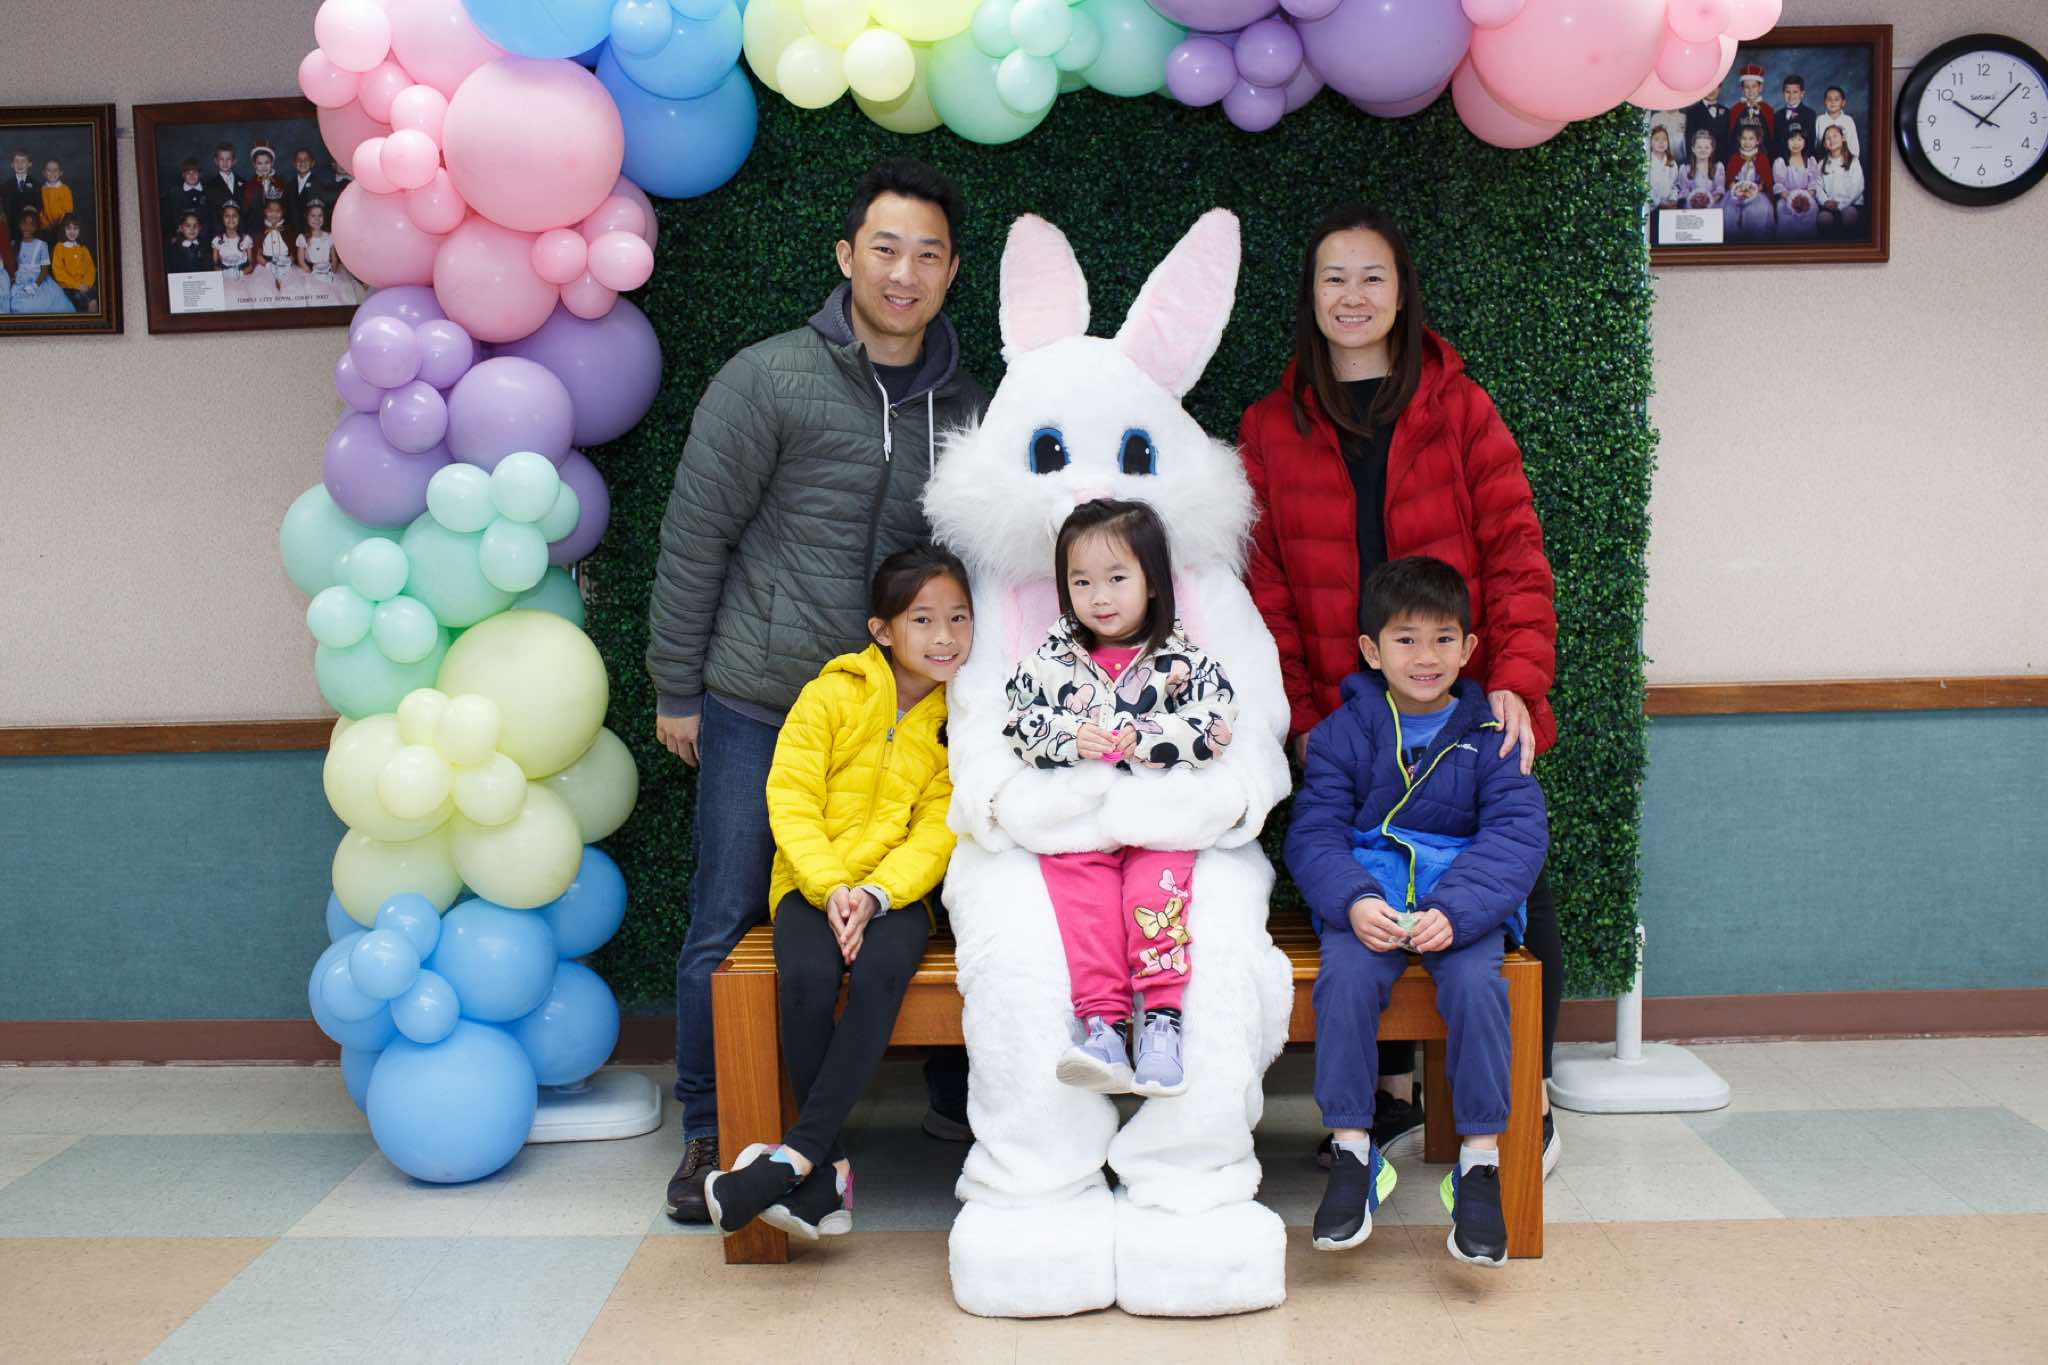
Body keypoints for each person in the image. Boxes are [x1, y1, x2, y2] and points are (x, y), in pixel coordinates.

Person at [648, 158, 989, 1224]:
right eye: (885, 248)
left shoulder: (970, 406)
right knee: (728, 913)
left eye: (927, 254)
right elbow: (695, 536)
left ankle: (955, 1098)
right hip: (761, 699)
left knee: (939, 899)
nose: (904, 272)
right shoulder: (765, 379)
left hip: (902, 714)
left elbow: (985, 560)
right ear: (846, 256)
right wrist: (676, 685)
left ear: (951, 273)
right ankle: (711, 1123)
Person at [1239, 200, 1562, 1177]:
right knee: (1363, 874)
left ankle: (1531, 1094)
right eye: (1333, 277)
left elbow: (1514, 550)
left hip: (1459, 692)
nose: (1352, 295)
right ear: (1309, 295)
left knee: (1507, 871)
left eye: (1371, 276)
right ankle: (1386, 1098)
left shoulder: (1458, 408)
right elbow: (1264, 593)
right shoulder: (1270, 427)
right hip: (1349, 711)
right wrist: (1302, 717)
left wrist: (1515, 679)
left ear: (1401, 292)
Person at [704, 546, 973, 1241]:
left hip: (897, 896)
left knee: (882, 971)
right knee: (806, 974)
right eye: (922, 619)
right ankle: (825, 1166)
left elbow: (938, 831)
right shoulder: (831, 694)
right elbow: (790, 796)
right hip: (808, 884)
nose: (944, 636)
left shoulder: (962, 721)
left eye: (958, 618)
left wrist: (877, 894)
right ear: (882, 629)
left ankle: (799, 1159)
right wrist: (829, 887)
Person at [1287, 556, 1548, 1266]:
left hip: (1460, 905)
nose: (1425, 656)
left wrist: (1458, 911)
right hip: (1369, 903)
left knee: (1476, 987)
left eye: (1443, 639)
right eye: (1405, 639)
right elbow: (1313, 834)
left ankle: (1480, 1162)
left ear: (1468, 649)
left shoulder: (1492, 733)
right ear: (1372, 651)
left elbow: (1516, 836)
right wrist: (1354, 900)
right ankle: (1353, 1150)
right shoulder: (1343, 733)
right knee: (1345, 979)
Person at [1001, 499, 1239, 1099]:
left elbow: (1216, 725)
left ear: (1152, 582)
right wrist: (1068, 737)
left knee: (1155, 901)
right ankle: (1103, 1028)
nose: (1099, 597)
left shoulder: (1182, 660)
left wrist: (1148, 737)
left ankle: (1161, 1022)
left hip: (1158, 819)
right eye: (1081, 582)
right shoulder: (1050, 660)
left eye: (1116, 579)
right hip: (1080, 823)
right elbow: (1019, 724)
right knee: (1086, 911)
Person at [9, 208, 73, 314]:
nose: (27, 227)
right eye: (24, 223)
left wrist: (35, 286)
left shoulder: (42, 245)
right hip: (21, 282)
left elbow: (44, 270)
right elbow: (11, 266)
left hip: (39, 281)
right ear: (19, 224)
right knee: (21, 307)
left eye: (31, 225)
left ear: (36, 227)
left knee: (46, 303)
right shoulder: (15, 244)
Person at [1724, 125, 1776, 240]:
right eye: (1744, 138)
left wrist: (1755, 190)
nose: (1747, 142)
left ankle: (1754, 240)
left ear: (1758, 141)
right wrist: (1736, 189)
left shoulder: (1762, 158)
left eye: (1751, 139)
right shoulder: (1735, 158)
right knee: (1729, 211)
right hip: (1735, 192)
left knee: (1758, 211)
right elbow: (1729, 179)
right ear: (1739, 139)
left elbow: (1764, 181)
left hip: (1757, 194)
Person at [1773, 127, 1821, 241]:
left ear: (1805, 142)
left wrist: (1807, 195)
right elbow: (1779, 184)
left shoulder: (1810, 161)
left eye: (1800, 139)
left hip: (1806, 196)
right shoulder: (1781, 161)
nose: (1796, 143)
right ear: (1786, 141)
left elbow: (1813, 182)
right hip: (1787, 197)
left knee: (1812, 208)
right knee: (1781, 208)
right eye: (1792, 139)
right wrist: (1789, 197)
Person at [1817, 126, 1865, 237]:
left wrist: (1841, 205)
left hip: (1851, 204)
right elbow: (1818, 187)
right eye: (1828, 138)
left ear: (1843, 138)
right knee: (1823, 219)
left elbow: (1857, 188)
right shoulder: (1821, 164)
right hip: (1830, 205)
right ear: (1824, 144)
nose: (1831, 140)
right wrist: (1825, 201)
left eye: (1835, 136)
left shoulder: (1853, 161)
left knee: (1849, 216)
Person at [213, 201, 255, 305]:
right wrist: (225, 274)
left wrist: (241, 274)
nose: (231, 219)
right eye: (227, 216)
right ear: (222, 219)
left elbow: (251, 265)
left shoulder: (246, 239)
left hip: (243, 276)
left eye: (234, 216)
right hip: (225, 277)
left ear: (239, 218)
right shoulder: (217, 240)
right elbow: (215, 265)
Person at [1676, 127, 1726, 214]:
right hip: (1692, 206)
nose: (1703, 150)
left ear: (1712, 149)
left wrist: (1708, 203)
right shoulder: (1685, 169)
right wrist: (1696, 202)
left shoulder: (1718, 167)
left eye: (1706, 147)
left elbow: (1719, 189)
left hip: (1713, 206)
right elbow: (1684, 191)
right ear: (1693, 149)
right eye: (1699, 147)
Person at [1646, 125, 1683, 245]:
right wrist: (1659, 203)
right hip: (1651, 209)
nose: (1661, 143)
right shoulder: (1646, 162)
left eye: (1664, 139)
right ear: (1650, 142)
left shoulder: (1671, 163)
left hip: (1667, 209)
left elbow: (1674, 185)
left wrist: (1672, 199)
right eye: (1657, 139)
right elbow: (1646, 189)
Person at [50, 214, 95, 311]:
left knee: (95, 295)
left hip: (84, 285)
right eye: (68, 228)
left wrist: (86, 284)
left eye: (75, 228)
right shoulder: (59, 247)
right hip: (67, 286)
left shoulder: (82, 248)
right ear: (63, 229)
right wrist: (77, 285)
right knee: (77, 298)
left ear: (79, 230)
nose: (72, 232)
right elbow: (58, 272)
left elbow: (90, 268)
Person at [240, 145, 288, 234]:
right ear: (254, 164)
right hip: (255, 230)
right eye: (259, 163)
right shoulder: (249, 186)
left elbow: (286, 209)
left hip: (278, 229)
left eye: (267, 162)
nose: (264, 166)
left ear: (272, 163)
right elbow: (245, 212)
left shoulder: (281, 183)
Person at [1727, 65, 1775, 153]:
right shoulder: (1735, 110)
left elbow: (1771, 139)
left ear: (1760, 88)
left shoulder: (1768, 110)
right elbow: (1731, 139)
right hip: (1739, 155)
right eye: (1747, 87)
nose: (1750, 90)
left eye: (1754, 86)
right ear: (1742, 89)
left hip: (1763, 156)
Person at [1681, 85, 1730, 165]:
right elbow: (1689, 141)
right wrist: (1693, 165)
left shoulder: (1726, 112)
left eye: (1715, 86)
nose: (1712, 91)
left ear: (1720, 89)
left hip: (1722, 163)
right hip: (1700, 163)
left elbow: (1727, 141)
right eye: (1709, 87)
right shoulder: (1692, 112)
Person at [163, 158, 210, 239]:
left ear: (200, 174)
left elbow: (212, 218)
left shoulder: (209, 192)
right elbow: (168, 218)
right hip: (180, 238)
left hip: (205, 238)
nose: (192, 176)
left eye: (195, 172)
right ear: (183, 175)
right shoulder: (174, 193)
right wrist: (173, 235)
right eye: (188, 173)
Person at [1774, 75, 1818, 161]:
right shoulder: (1777, 115)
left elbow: (1811, 143)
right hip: (1781, 162)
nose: (1791, 96)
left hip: (1803, 162)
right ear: (1783, 93)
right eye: (1787, 92)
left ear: (1802, 94)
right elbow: (1775, 143)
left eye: (1795, 92)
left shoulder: (1810, 114)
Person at [204, 143, 241, 234]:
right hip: (218, 233)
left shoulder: (243, 183)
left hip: (240, 232)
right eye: (221, 159)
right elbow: (210, 214)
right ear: (216, 161)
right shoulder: (209, 186)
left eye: (228, 159)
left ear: (234, 161)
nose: (225, 162)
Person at [1815, 85, 1859, 159]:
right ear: (1825, 102)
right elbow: (1817, 143)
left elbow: (1853, 144)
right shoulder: (1820, 120)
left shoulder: (1848, 120)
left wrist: (1852, 160)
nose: (1832, 102)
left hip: (1845, 160)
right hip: (1825, 160)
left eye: (1836, 99)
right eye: (1829, 99)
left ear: (1843, 103)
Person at [38, 159, 73, 242]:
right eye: (49, 170)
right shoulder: (42, 190)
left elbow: (68, 210)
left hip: (62, 227)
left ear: (61, 173)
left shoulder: (65, 189)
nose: (52, 173)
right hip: (46, 229)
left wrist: (61, 224)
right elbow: (40, 210)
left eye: (55, 170)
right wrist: (46, 225)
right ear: (44, 173)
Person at [5, 150, 40, 230]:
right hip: (11, 227)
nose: (19, 164)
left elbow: (38, 207)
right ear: (12, 164)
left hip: (30, 227)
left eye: (23, 161)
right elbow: (5, 208)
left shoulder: (36, 185)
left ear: (29, 164)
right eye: (16, 161)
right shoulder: (5, 186)